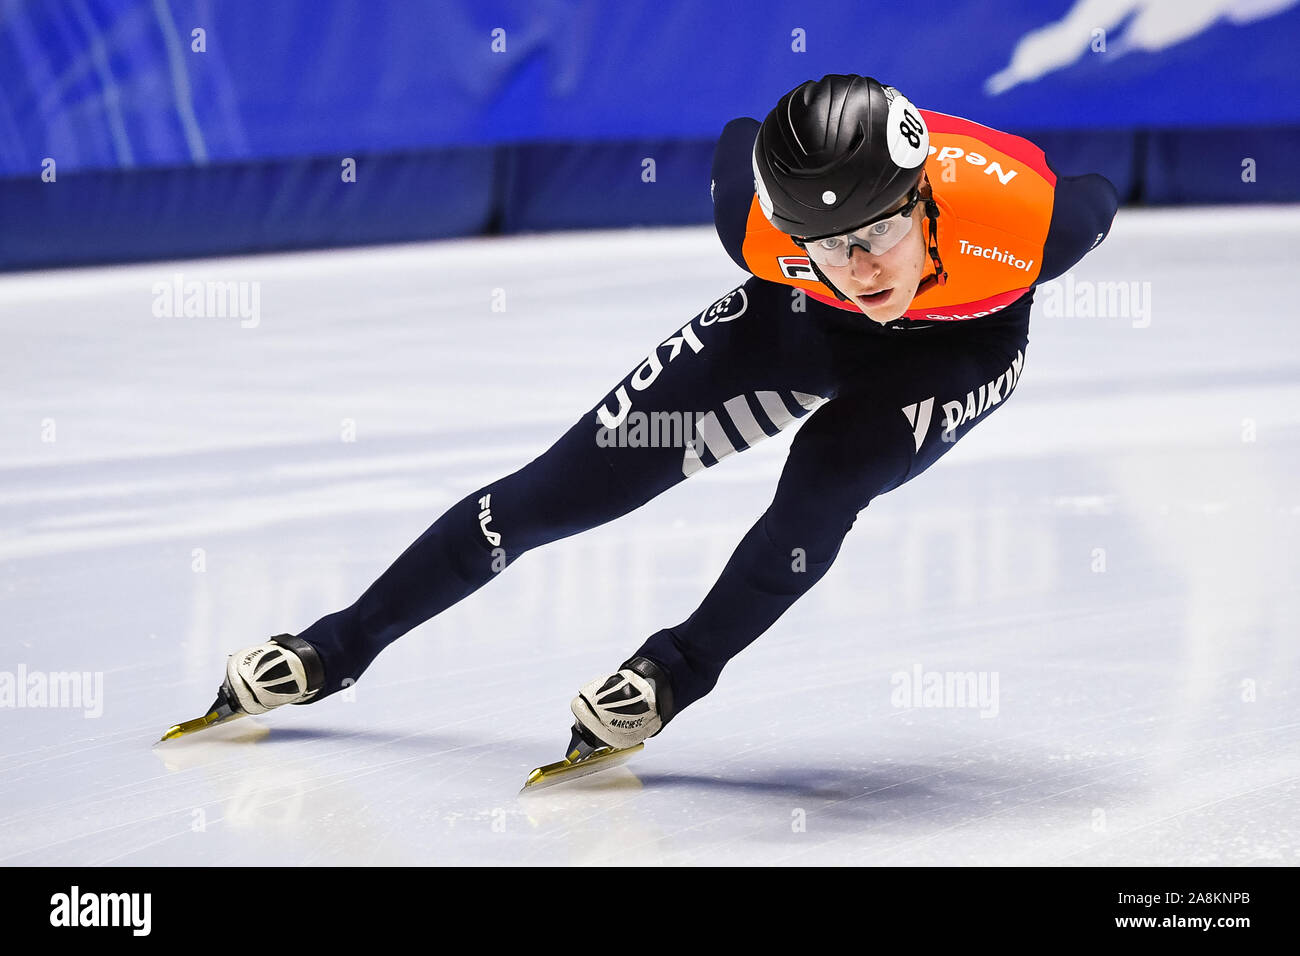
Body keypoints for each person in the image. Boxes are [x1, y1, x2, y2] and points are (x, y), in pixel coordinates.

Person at [195, 74, 1119, 762]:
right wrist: (827, 252)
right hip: (801, 327)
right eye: (828, 246)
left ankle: (673, 672)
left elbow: (1099, 192)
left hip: (961, 342)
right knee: (555, 492)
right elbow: (741, 136)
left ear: (923, 200)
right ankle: (337, 644)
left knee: (829, 476)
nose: (859, 267)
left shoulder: (1030, 224)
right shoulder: (756, 228)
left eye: (876, 234)